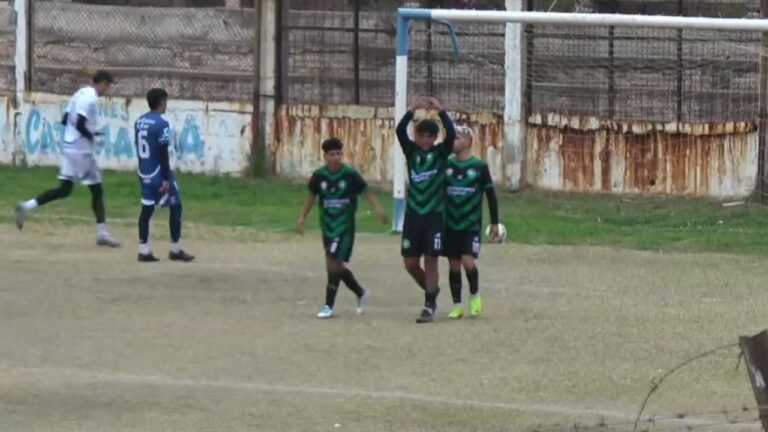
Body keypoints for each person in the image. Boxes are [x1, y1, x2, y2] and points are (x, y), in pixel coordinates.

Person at [15, 70, 120, 247]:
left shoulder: (80, 93)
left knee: (64, 189)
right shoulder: (90, 98)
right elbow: (79, 123)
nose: (107, 90)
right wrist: (92, 137)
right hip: (80, 150)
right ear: (101, 83)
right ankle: (103, 234)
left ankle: (26, 206)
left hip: (69, 146)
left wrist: (89, 131)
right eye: (107, 86)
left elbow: (65, 119)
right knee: (97, 190)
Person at [297, 138, 388, 319]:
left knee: (332, 262)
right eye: (332, 154)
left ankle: (328, 306)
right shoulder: (319, 176)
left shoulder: (349, 175)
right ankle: (360, 292)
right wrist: (302, 217)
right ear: (325, 156)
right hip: (327, 226)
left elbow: (366, 191)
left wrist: (378, 208)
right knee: (335, 266)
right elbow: (311, 197)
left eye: (338, 153)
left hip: (344, 227)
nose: (336, 157)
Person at [395, 96, 456, 323]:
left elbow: (450, 133)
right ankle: (432, 290)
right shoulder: (411, 152)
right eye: (423, 135)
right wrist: (413, 111)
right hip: (413, 215)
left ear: (435, 138)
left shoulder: (441, 153)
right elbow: (400, 131)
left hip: (434, 215)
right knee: (410, 263)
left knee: (431, 259)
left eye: (431, 136)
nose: (427, 139)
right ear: (417, 135)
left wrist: (441, 111)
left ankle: (429, 305)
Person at [443, 125, 500, 319]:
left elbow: (491, 195)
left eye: (457, 138)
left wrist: (495, 222)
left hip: (470, 224)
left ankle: (474, 295)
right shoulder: (447, 165)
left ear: (468, 142)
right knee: (453, 265)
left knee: (468, 262)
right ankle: (457, 305)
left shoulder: (479, 167)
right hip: (450, 223)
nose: (453, 141)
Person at [134, 88, 194, 263]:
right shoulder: (162, 123)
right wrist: (167, 178)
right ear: (162, 102)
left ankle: (144, 250)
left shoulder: (139, 121)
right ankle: (175, 249)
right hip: (158, 173)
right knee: (176, 206)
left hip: (144, 170)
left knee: (147, 210)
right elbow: (163, 152)